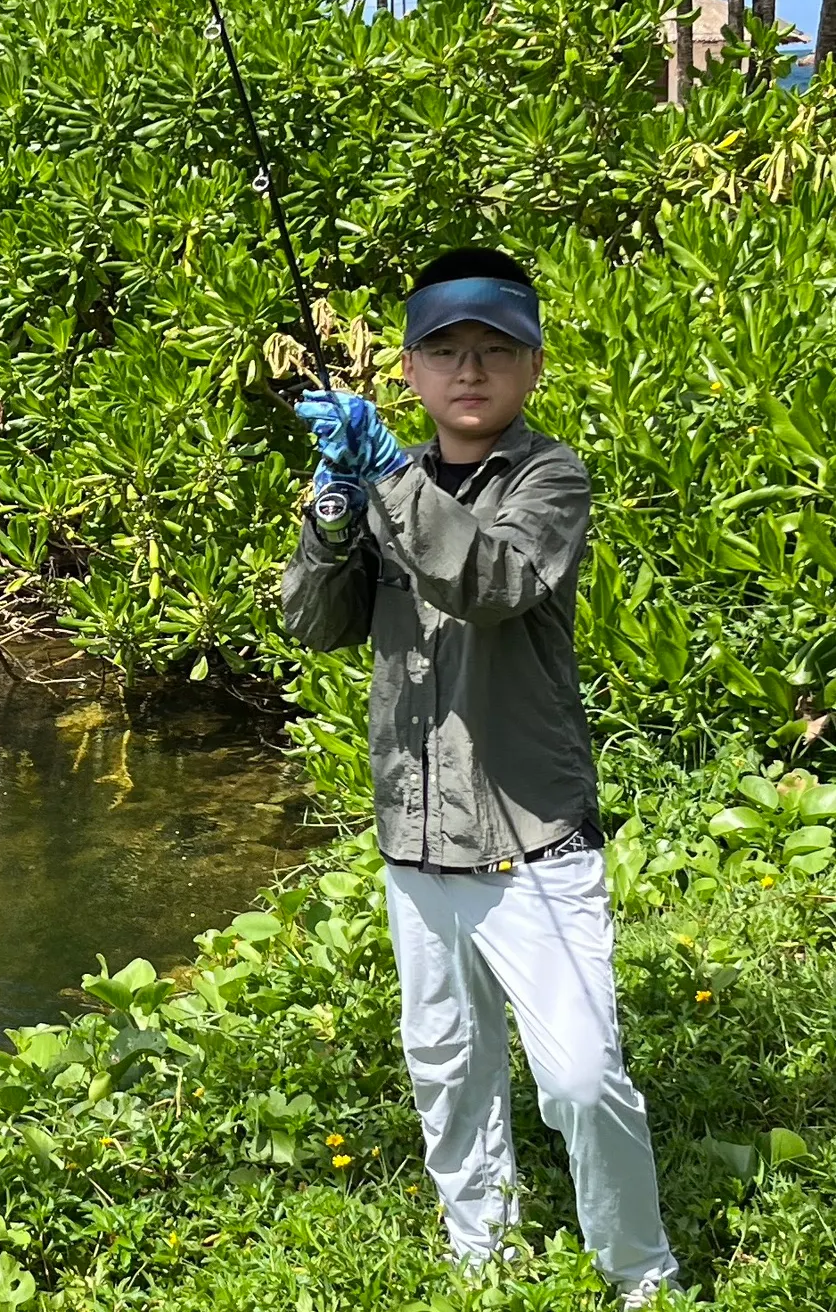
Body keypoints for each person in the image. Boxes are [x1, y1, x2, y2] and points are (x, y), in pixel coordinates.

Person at [282, 248, 682, 1309]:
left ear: (533, 368)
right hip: (415, 844)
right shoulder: (382, 480)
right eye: (444, 351)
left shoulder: (548, 480)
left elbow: (492, 581)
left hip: (533, 842)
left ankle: (641, 1274)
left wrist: (386, 483)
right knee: (449, 1073)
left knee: (583, 1079)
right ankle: (481, 1256)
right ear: (408, 369)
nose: (470, 371)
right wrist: (331, 520)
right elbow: (313, 625)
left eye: (494, 351)